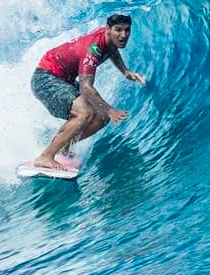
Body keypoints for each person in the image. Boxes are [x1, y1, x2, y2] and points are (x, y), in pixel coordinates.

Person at [31, 13, 147, 170]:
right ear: (107, 29)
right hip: (45, 78)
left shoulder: (108, 38)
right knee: (85, 113)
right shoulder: (93, 49)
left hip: (63, 80)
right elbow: (86, 87)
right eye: (118, 30)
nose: (123, 35)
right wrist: (110, 109)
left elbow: (112, 49)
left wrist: (125, 71)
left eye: (127, 30)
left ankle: (63, 147)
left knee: (101, 117)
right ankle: (45, 157)